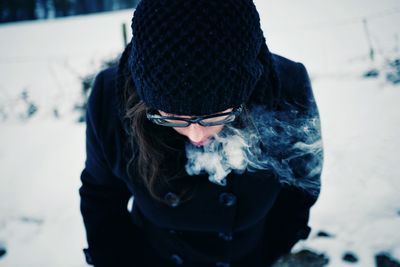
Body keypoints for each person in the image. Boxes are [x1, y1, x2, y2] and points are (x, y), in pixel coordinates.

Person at [79, 0, 324, 266]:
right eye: (172, 118)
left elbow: (301, 184)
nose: (196, 135)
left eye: (215, 116)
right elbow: (101, 197)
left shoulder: (286, 86)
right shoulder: (111, 96)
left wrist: (269, 251)